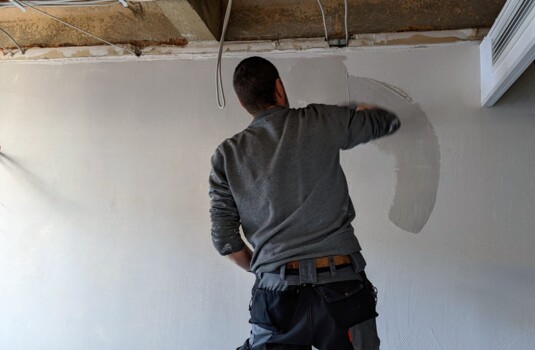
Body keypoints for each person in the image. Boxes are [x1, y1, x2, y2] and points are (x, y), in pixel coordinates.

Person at [209, 56, 400, 350]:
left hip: (276, 294)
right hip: (342, 287)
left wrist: (267, 267)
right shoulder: (321, 119)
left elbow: (224, 238)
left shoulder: (228, 154)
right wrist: (350, 109)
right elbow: (385, 121)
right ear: (279, 88)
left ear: (242, 103)